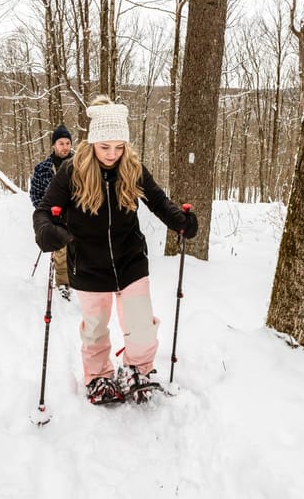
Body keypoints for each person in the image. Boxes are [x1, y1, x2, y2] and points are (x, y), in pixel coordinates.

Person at [32, 96, 199, 404]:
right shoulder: (72, 172)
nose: (112, 154)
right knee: (95, 328)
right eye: (105, 147)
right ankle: (98, 377)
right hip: (88, 263)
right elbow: (44, 210)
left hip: (130, 259)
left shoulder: (132, 169)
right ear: (93, 142)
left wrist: (180, 221)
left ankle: (138, 369)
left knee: (141, 325)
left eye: (119, 147)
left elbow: (159, 202)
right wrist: (45, 231)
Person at [30, 124, 74, 299]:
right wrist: (46, 214)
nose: (65, 147)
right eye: (61, 143)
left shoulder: (80, 164)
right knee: (61, 248)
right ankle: (63, 283)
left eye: (68, 143)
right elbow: (35, 194)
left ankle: (82, 278)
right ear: (54, 145)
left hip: (76, 213)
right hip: (55, 215)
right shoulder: (43, 168)